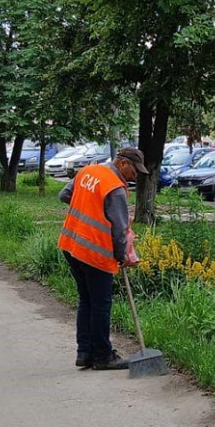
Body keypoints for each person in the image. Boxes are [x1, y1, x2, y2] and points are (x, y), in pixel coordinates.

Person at [58, 147, 147, 371]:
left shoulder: (89, 171)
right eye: (134, 171)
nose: (135, 176)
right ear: (123, 163)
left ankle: (84, 353)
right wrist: (122, 256)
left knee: (86, 300)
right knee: (100, 304)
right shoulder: (115, 188)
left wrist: (90, 206)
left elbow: (64, 195)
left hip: (71, 244)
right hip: (95, 252)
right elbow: (119, 231)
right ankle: (102, 356)